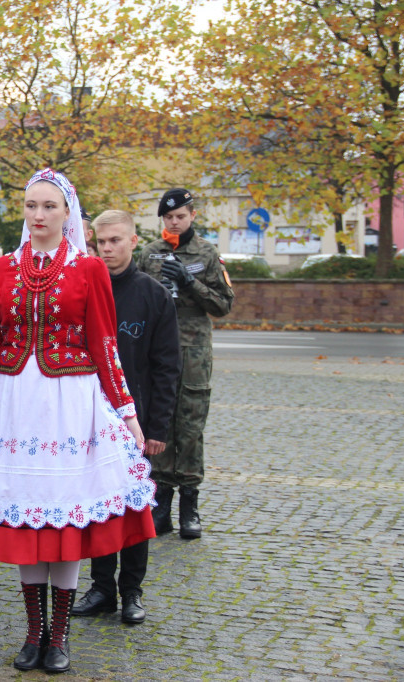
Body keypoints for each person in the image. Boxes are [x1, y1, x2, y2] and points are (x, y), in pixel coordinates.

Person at [0, 169, 155, 673]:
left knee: (63, 515)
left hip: (70, 403)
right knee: (28, 514)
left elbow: (105, 343)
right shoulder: (3, 268)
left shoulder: (90, 269)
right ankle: (34, 632)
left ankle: (61, 636)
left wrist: (127, 412)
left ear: (68, 212)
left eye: (49, 206)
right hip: (11, 404)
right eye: (32, 206)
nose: (39, 215)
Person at [73, 210, 180, 624]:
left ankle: (131, 590)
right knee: (99, 506)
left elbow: (168, 366)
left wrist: (157, 428)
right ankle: (101, 587)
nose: (108, 249)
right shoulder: (84, 287)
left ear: (134, 241)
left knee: (134, 509)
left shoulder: (152, 294)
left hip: (137, 423)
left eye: (116, 241)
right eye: (102, 242)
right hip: (91, 419)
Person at [137, 189, 234, 539]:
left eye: (180, 216)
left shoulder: (206, 253)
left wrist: (189, 282)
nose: (174, 222)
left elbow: (224, 304)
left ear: (192, 215)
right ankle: (160, 502)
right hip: (158, 354)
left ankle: (189, 504)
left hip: (193, 354)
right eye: (168, 217)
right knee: (158, 424)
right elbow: (136, 297)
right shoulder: (150, 254)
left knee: (190, 426)